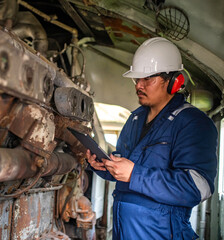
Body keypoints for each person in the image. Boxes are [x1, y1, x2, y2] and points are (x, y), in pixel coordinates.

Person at [86, 37, 217, 239]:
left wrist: (134, 175)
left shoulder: (193, 123)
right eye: (137, 79)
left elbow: (199, 187)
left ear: (174, 81)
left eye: (148, 79)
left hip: (161, 233)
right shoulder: (135, 118)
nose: (139, 85)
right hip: (124, 230)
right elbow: (125, 167)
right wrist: (103, 166)